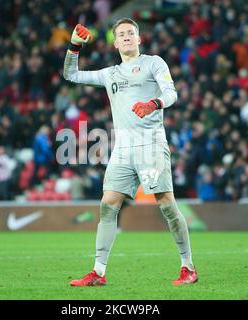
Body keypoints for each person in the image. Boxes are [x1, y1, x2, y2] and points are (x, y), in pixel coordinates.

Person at [63, 19, 197, 286]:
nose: (125, 37)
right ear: (115, 42)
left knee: (167, 205)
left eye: (130, 33)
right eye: (121, 34)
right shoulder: (110, 73)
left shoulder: (154, 63)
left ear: (139, 39)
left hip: (150, 143)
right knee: (108, 205)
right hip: (122, 148)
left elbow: (172, 93)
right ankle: (98, 272)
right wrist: (74, 46)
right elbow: (72, 75)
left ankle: (188, 267)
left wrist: (153, 103)